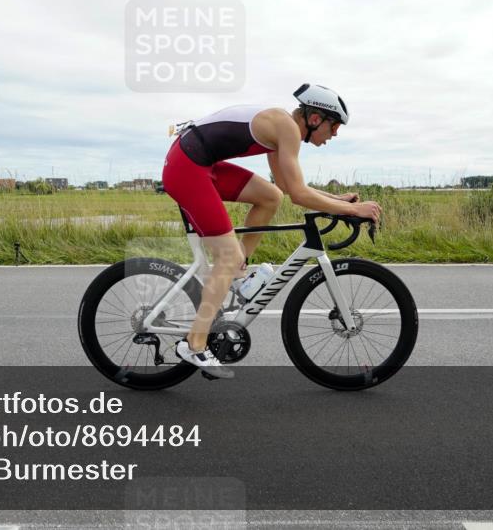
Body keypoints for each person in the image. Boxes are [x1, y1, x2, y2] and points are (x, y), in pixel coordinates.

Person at [162, 84, 382, 379]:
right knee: (226, 258)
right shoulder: (287, 129)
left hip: (200, 163)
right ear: (315, 118)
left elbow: (287, 188)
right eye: (334, 126)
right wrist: (354, 210)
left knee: (269, 196)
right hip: (187, 168)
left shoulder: (282, 128)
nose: (335, 135)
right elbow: (300, 195)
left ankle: (238, 275)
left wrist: (336, 201)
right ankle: (195, 344)